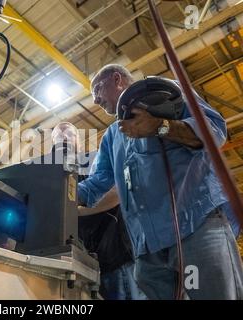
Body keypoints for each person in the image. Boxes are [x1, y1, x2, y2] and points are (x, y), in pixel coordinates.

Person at [78, 64, 243, 299]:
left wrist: (161, 127)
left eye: (97, 89)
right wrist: (62, 194)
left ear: (117, 79)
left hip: (195, 229)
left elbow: (214, 131)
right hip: (148, 253)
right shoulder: (112, 136)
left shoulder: (166, 94)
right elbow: (97, 184)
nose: (95, 100)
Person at [52, 122, 146, 300]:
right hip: (82, 268)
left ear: (79, 142)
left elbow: (117, 191)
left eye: (69, 135)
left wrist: (73, 209)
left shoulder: (95, 163)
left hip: (116, 258)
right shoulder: (52, 178)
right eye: (58, 137)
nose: (64, 139)